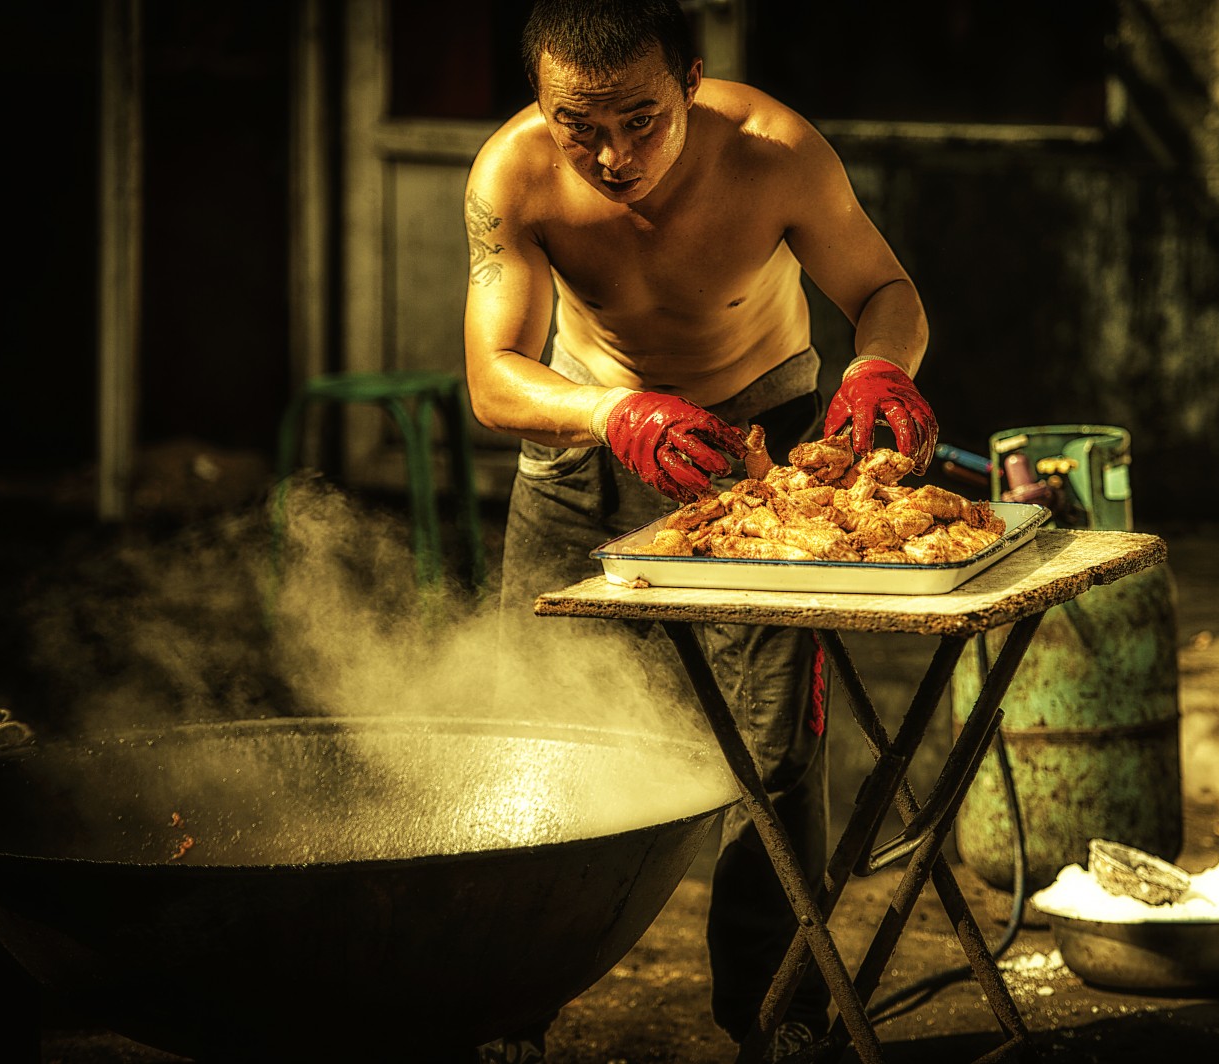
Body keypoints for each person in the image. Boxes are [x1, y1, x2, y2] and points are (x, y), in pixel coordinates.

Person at [462, 1, 937, 1058]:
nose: (613, 156)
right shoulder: (514, 174)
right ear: (540, 104)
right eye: (580, 126)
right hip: (589, 440)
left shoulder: (775, 151)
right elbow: (493, 378)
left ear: (691, 79)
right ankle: (508, 1014)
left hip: (755, 448)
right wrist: (614, 412)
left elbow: (883, 288)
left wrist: (878, 366)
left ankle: (780, 1018)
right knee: (535, 736)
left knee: (773, 751)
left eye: (641, 119)